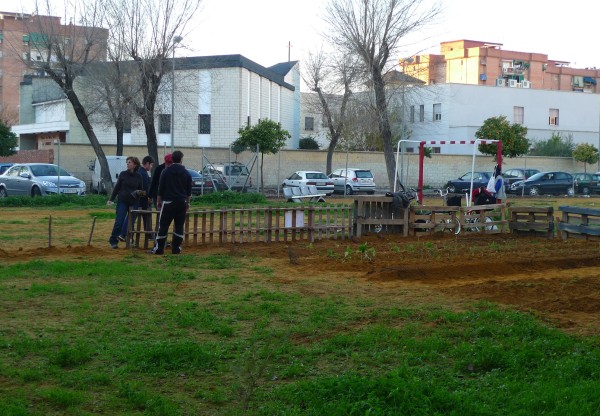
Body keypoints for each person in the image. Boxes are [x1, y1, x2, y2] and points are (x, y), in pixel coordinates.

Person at [150, 150, 192, 255]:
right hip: (181, 202)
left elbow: (161, 189)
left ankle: (159, 249)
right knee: (179, 226)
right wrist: (187, 203)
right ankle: (176, 248)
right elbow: (188, 192)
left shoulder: (166, 171)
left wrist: (159, 202)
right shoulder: (186, 173)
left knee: (163, 225)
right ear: (181, 160)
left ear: (172, 159)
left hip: (168, 202)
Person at [107, 156, 144, 249]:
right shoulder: (123, 174)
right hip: (123, 200)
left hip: (134, 201)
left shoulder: (139, 176)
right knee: (119, 221)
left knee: (130, 221)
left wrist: (139, 192)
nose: (127, 164)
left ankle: (128, 238)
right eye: (127, 162)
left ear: (135, 164)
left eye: (130, 162)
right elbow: (117, 187)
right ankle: (113, 240)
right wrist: (111, 199)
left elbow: (142, 190)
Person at [135, 156, 155, 238]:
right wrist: (147, 197)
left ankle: (149, 233)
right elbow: (143, 188)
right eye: (151, 165)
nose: (151, 167)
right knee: (147, 217)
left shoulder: (140, 171)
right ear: (147, 163)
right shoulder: (143, 173)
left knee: (135, 218)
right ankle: (149, 234)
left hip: (138, 199)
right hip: (142, 200)